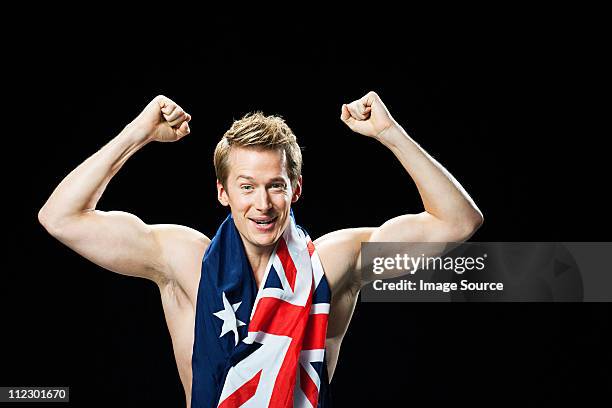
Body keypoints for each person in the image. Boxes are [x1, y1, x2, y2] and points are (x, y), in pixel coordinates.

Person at [38, 92, 483, 407]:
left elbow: (458, 222)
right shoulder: (184, 259)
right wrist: (137, 134)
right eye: (247, 187)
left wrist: (391, 133)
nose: (263, 204)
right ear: (222, 192)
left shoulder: (331, 262)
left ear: (296, 189)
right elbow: (60, 217)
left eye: (276, 186)